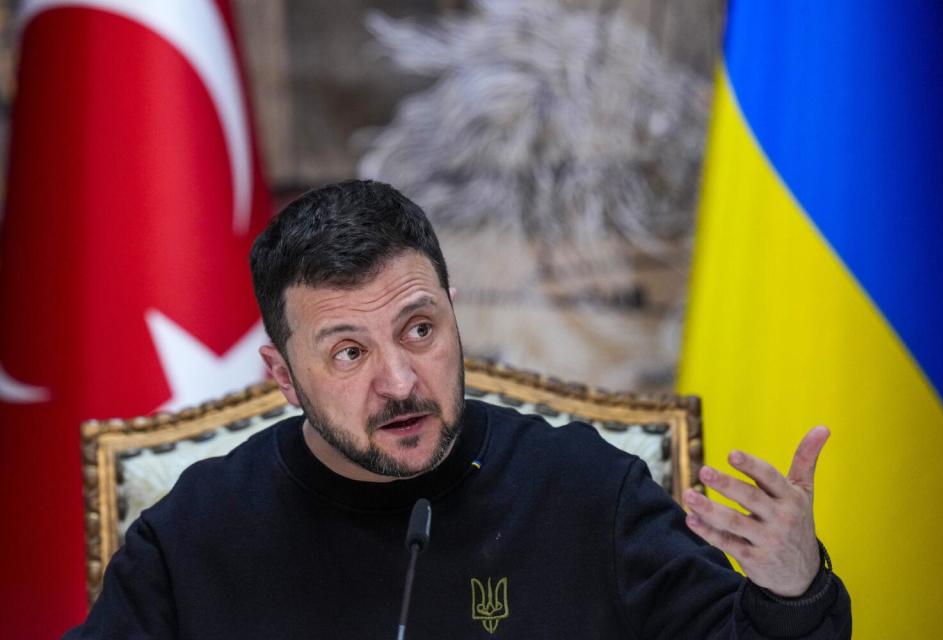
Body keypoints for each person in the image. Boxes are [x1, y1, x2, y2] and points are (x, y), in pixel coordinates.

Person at [67, 180, 851, 638]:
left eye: (419, 329)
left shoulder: (585, 491)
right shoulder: (198, 530)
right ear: (283, 376)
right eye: (349, 353)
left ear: (453, 313)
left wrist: (794, 586)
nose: (402, 382)